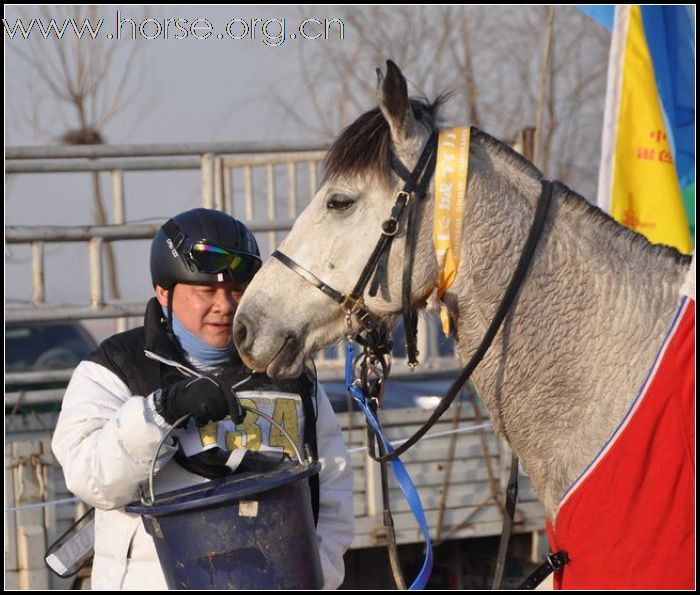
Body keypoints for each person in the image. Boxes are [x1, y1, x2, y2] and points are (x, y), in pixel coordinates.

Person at [52, 208, 354, 590]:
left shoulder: (287, 371)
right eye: (205, 292)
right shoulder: (116, 368)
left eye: (236, 291)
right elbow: (92, 480)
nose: (224, 307)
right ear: (164, 292)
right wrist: (162, 412)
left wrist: (314, 576)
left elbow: (332, 486)